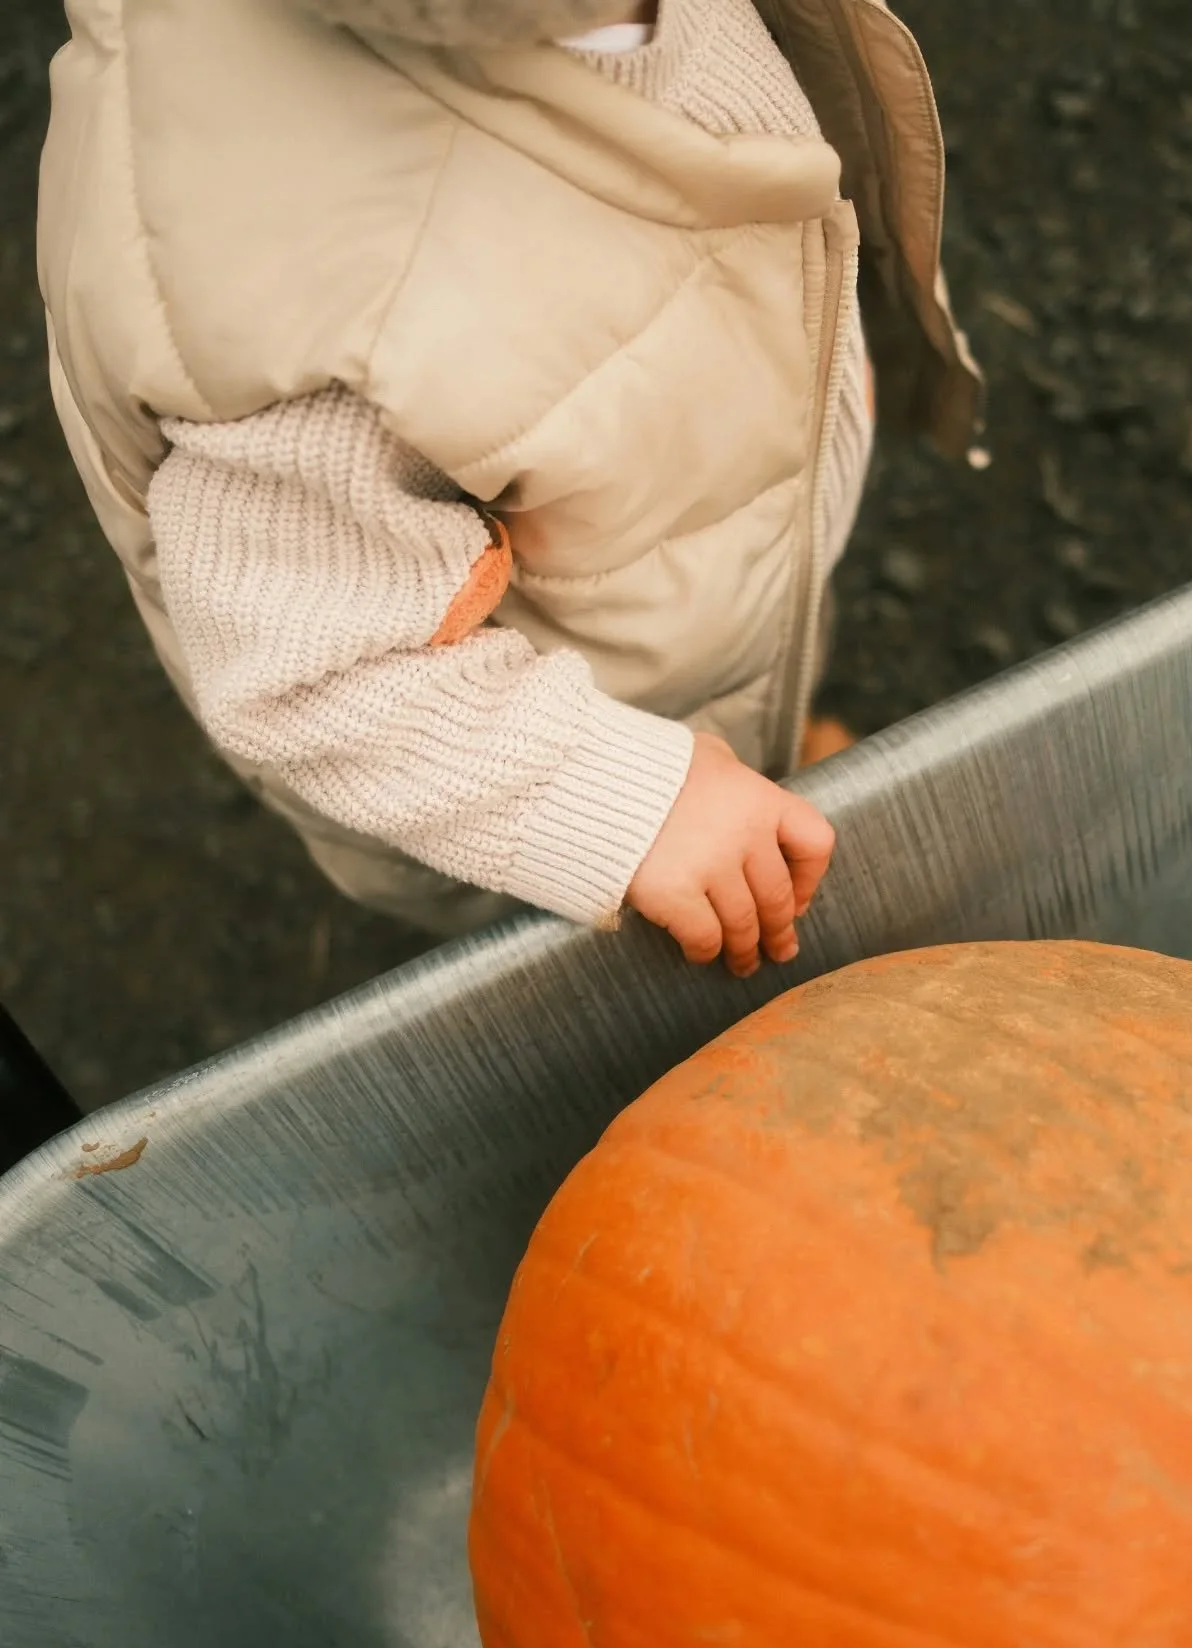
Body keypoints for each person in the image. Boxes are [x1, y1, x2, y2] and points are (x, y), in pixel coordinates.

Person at [38, 0, 981, 977]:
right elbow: (310, 677)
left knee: (759, 676)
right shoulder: (312, 293)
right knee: (625, 946)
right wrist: (624, 801)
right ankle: (687, 866)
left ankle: (763, 749)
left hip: (689, 555)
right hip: (506, 753)